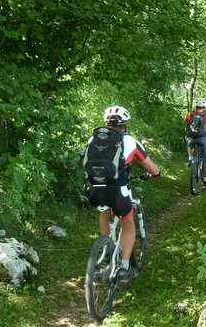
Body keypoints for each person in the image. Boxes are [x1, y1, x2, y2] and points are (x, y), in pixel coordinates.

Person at [83, 106, 160, 282]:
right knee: (127, 222)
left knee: (103, 211)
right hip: (117, 190)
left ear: (106, 123)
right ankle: (125, 266)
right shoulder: (130, 141)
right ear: (124, 124)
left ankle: (106, 249)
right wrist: (156, 174)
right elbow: (150, 167)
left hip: (92, 189)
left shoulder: (92, 139)